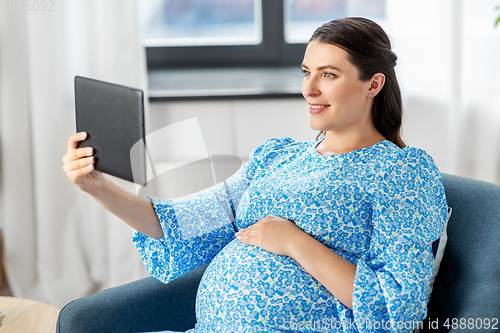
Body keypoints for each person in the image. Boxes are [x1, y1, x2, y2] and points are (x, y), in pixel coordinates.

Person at [61, 17, 447, 333]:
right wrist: (98, 187)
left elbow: (397, 310)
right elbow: (182, 223)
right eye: (306, 72)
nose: (309, 89)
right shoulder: (277, 158)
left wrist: (296, 242)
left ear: (373, 84)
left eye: (328, 75)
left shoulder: (400, 173)